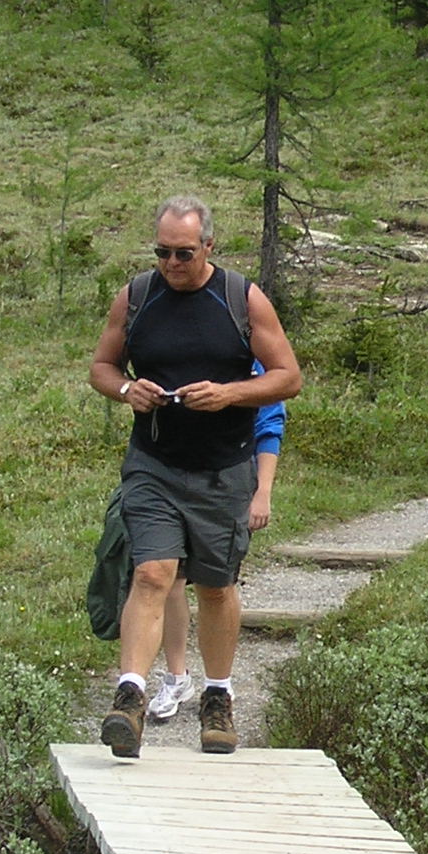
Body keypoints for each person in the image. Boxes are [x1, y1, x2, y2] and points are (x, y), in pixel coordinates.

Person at [89, 195, 301, 756]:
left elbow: (288, 378)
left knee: (215, 585)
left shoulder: (242, 299)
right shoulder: (136, 297)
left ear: (209, 245)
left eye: (183, 253)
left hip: (223, 469)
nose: (171, 264)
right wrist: (125, 389)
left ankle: (217, 697)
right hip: (153, 464)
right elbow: (101, 366)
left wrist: (229, 393)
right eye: (161, 252)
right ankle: (129, 697)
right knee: (154, 572)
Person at [147, 365, 283, 722]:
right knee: (168, 576)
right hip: (172, 477)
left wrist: (263, 492)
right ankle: (176, 677)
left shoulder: (254, 363)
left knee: (218, 583)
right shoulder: (181, 348)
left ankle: (218, 684)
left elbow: (269, 427)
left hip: (229, 483)